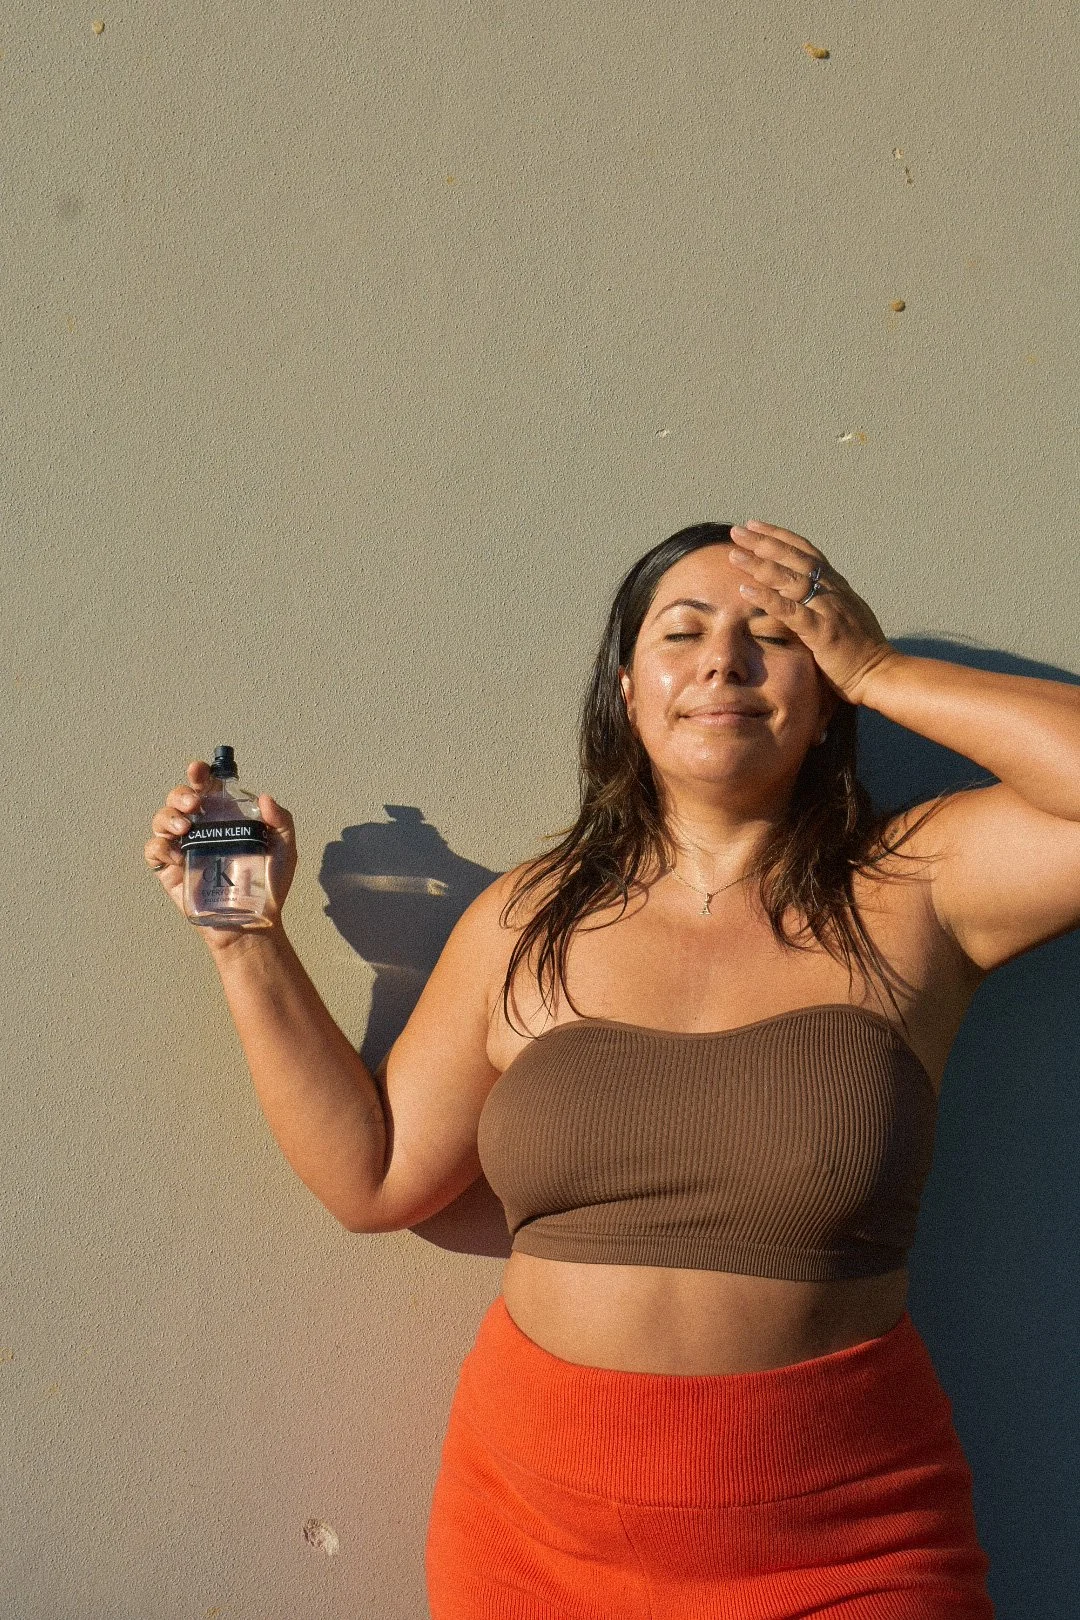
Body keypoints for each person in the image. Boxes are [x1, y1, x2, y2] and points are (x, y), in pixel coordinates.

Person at [145, 518, 1080, 1617]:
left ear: (826, 693)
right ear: (628, 692)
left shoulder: (919, 883)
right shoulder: (526, 919)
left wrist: (882, 668)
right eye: (682, 633)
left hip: (848, 1539)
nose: (723, 661)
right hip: (533, 1541)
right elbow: (376, 1177)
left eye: (775, 634)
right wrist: (244, 938)